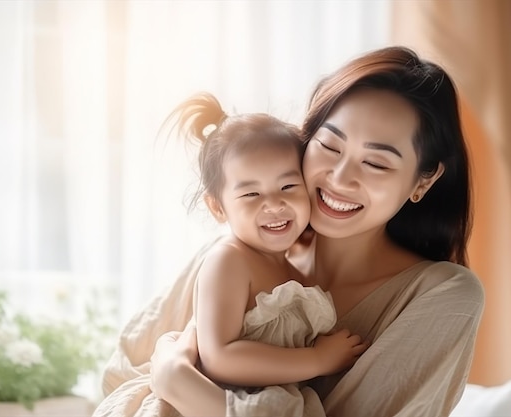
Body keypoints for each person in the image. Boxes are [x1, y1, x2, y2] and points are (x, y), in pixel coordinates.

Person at [94, 46, 485, 417]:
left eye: (376, 164)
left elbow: (165, 373)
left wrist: (176, 379)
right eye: (330, 146)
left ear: (424, 180)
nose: (339, 177)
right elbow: (120, 382)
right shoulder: (235, 254)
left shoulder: (441, 293)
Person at [156, 92, 369, 416]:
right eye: (251, 193)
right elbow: (220, 356)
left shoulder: (294, 270)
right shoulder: (229, 260)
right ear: (217, 207)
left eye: (288, 187)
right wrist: (316, 360)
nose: (273, 204)